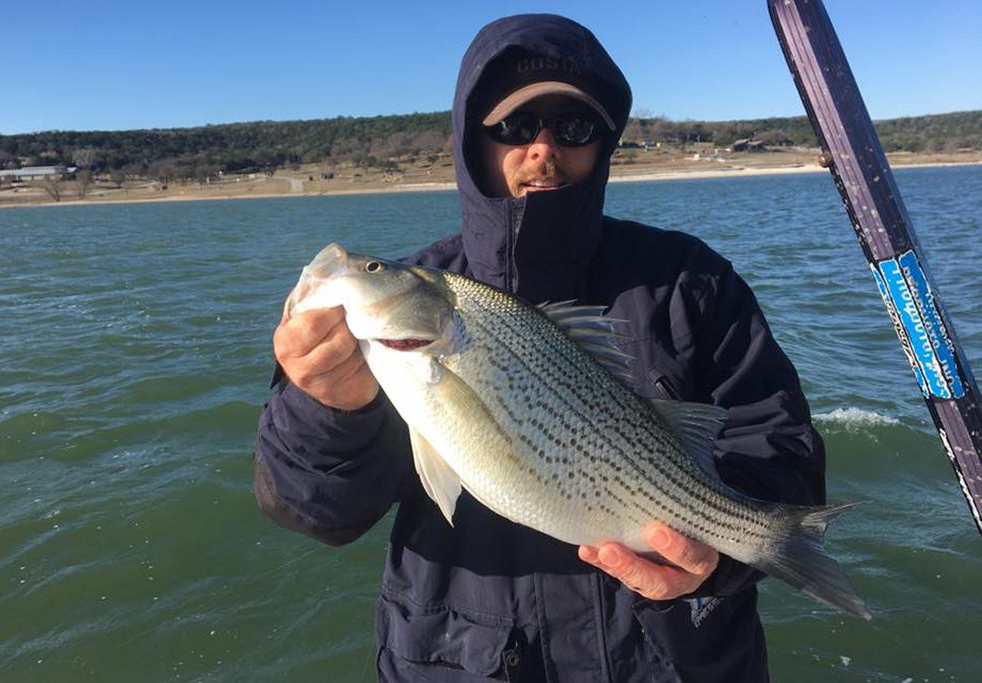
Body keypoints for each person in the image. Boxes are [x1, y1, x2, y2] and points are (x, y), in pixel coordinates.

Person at [255, 13, 825, 683]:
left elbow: (780, 449)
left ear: (603, 143)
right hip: (466, 661)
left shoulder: (691, 282)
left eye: (574, 127)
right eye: (516, 127)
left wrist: (719, 560)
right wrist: (331, 410)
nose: (544, 149)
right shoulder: (404, 314)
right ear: (474, 140)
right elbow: (316, 511)